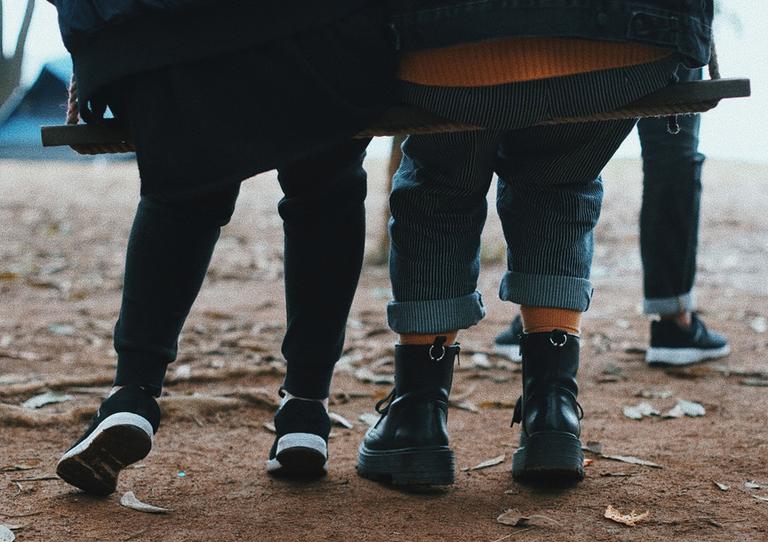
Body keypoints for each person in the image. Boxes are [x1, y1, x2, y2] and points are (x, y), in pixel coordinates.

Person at [356, 1, 714, 486]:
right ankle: (553, 410)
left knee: (440, 189)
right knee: (560, 179)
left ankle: (417, 415)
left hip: (447, 49)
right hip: (623, 49)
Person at [51, 0, 397, 495]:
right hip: (319, 39)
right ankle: (306, 407)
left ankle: (132, 393)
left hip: (159, 45)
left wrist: (92, 53)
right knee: (327, 185)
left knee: (182, 190)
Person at [494, 67, 729, 367]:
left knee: (557, 130)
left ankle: (539, 312)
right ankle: (675, 321)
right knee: (672, 149)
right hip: (665, 41)